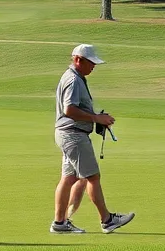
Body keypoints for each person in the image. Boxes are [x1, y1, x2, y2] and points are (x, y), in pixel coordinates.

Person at [51, 44, 135, 234]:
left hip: (68, 134)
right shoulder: (73, 80)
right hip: (73, 134)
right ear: (78, 60)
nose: (93, 66)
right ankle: (107, 220)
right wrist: (96, 118)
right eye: (91, 62)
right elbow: (69, 109)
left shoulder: (76, 77)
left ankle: (60, 223)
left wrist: (96, 117)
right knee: (92, 177)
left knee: (69, 178)